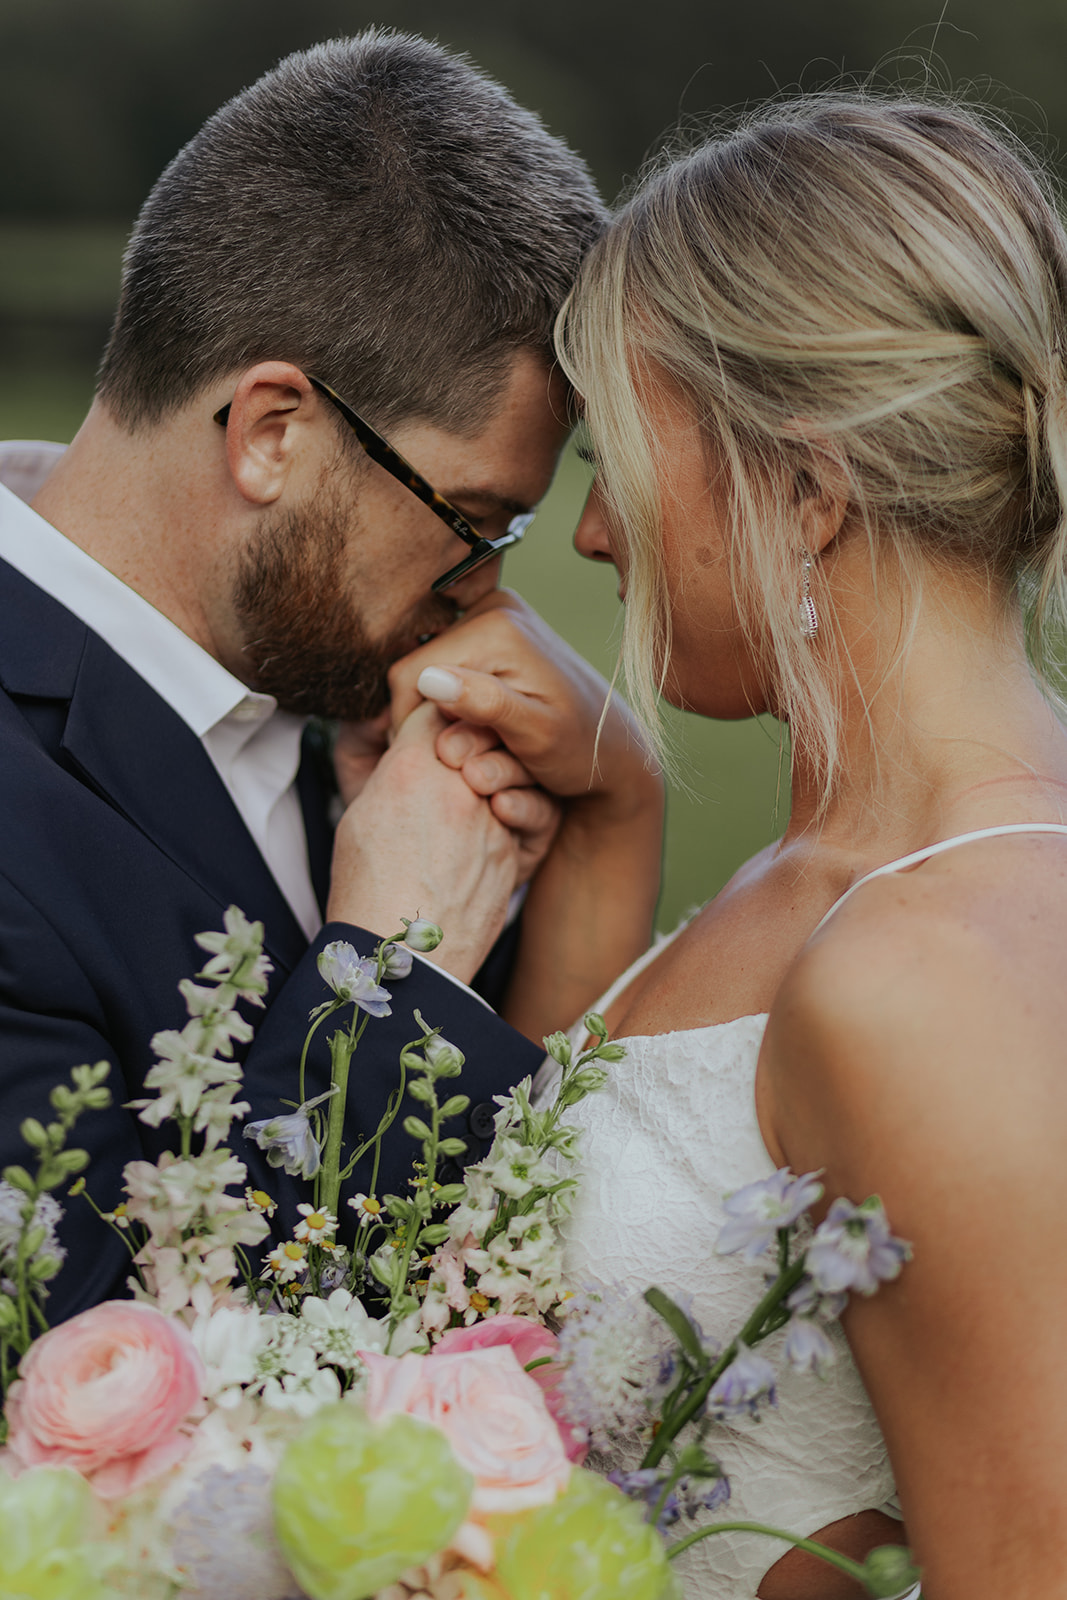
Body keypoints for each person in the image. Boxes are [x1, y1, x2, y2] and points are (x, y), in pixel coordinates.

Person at [484, 92, 1067, 1600]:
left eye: (615, 454)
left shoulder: (936, 973)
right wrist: (615, 823)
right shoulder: (831, 871)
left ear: (805, 493)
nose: (596, 532)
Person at [0, 31, 664, 1320]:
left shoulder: (348, 698)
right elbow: (72, 1397)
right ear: (273, 432)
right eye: (472, 516)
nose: (487, 590)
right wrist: (388, 969)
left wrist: (609, 807)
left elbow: (515, 1201)